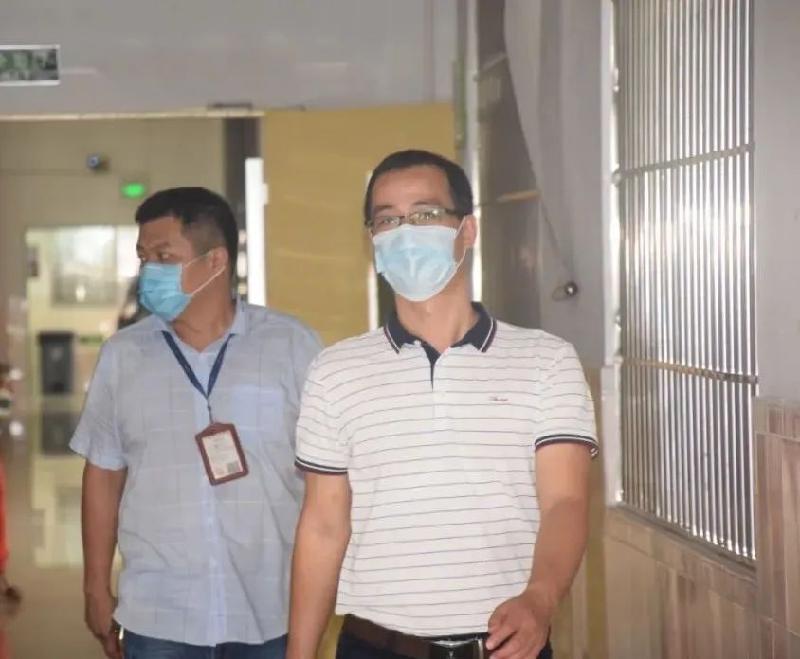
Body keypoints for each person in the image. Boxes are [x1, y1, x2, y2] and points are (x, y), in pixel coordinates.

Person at [288, 151, 597, 659]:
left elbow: (564, 502)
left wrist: (541, 599)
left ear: (467, 230)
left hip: (506, 644)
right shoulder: (335, 370)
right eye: (387, 220)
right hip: (376, 646)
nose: (405, 232)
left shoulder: (546, 361)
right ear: (372, 240)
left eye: (426, 214)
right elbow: (323, 526)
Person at [70, 187, 321, 659]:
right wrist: (95, 586)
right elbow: (103, 473)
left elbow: (325, 482)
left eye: (164, 257)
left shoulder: (293, 346)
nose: (148, 271)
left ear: (215, 261)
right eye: (143, 257)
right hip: (159, 614)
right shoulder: (123, 356)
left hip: (271, 609)